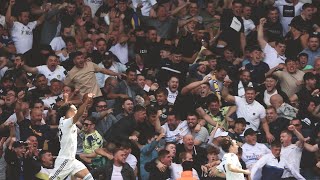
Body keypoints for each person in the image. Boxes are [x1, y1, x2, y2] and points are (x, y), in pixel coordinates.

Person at [49, 93, 94, 180]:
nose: (76, 110)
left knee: (89, 178)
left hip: (72, 160)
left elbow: (65, 108)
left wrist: (66, 99)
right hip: (65, 159)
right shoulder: (67, 122)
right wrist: (86, 101)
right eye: (75, 109)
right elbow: (78, 114)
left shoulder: (62, 119)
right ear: (70, 111)